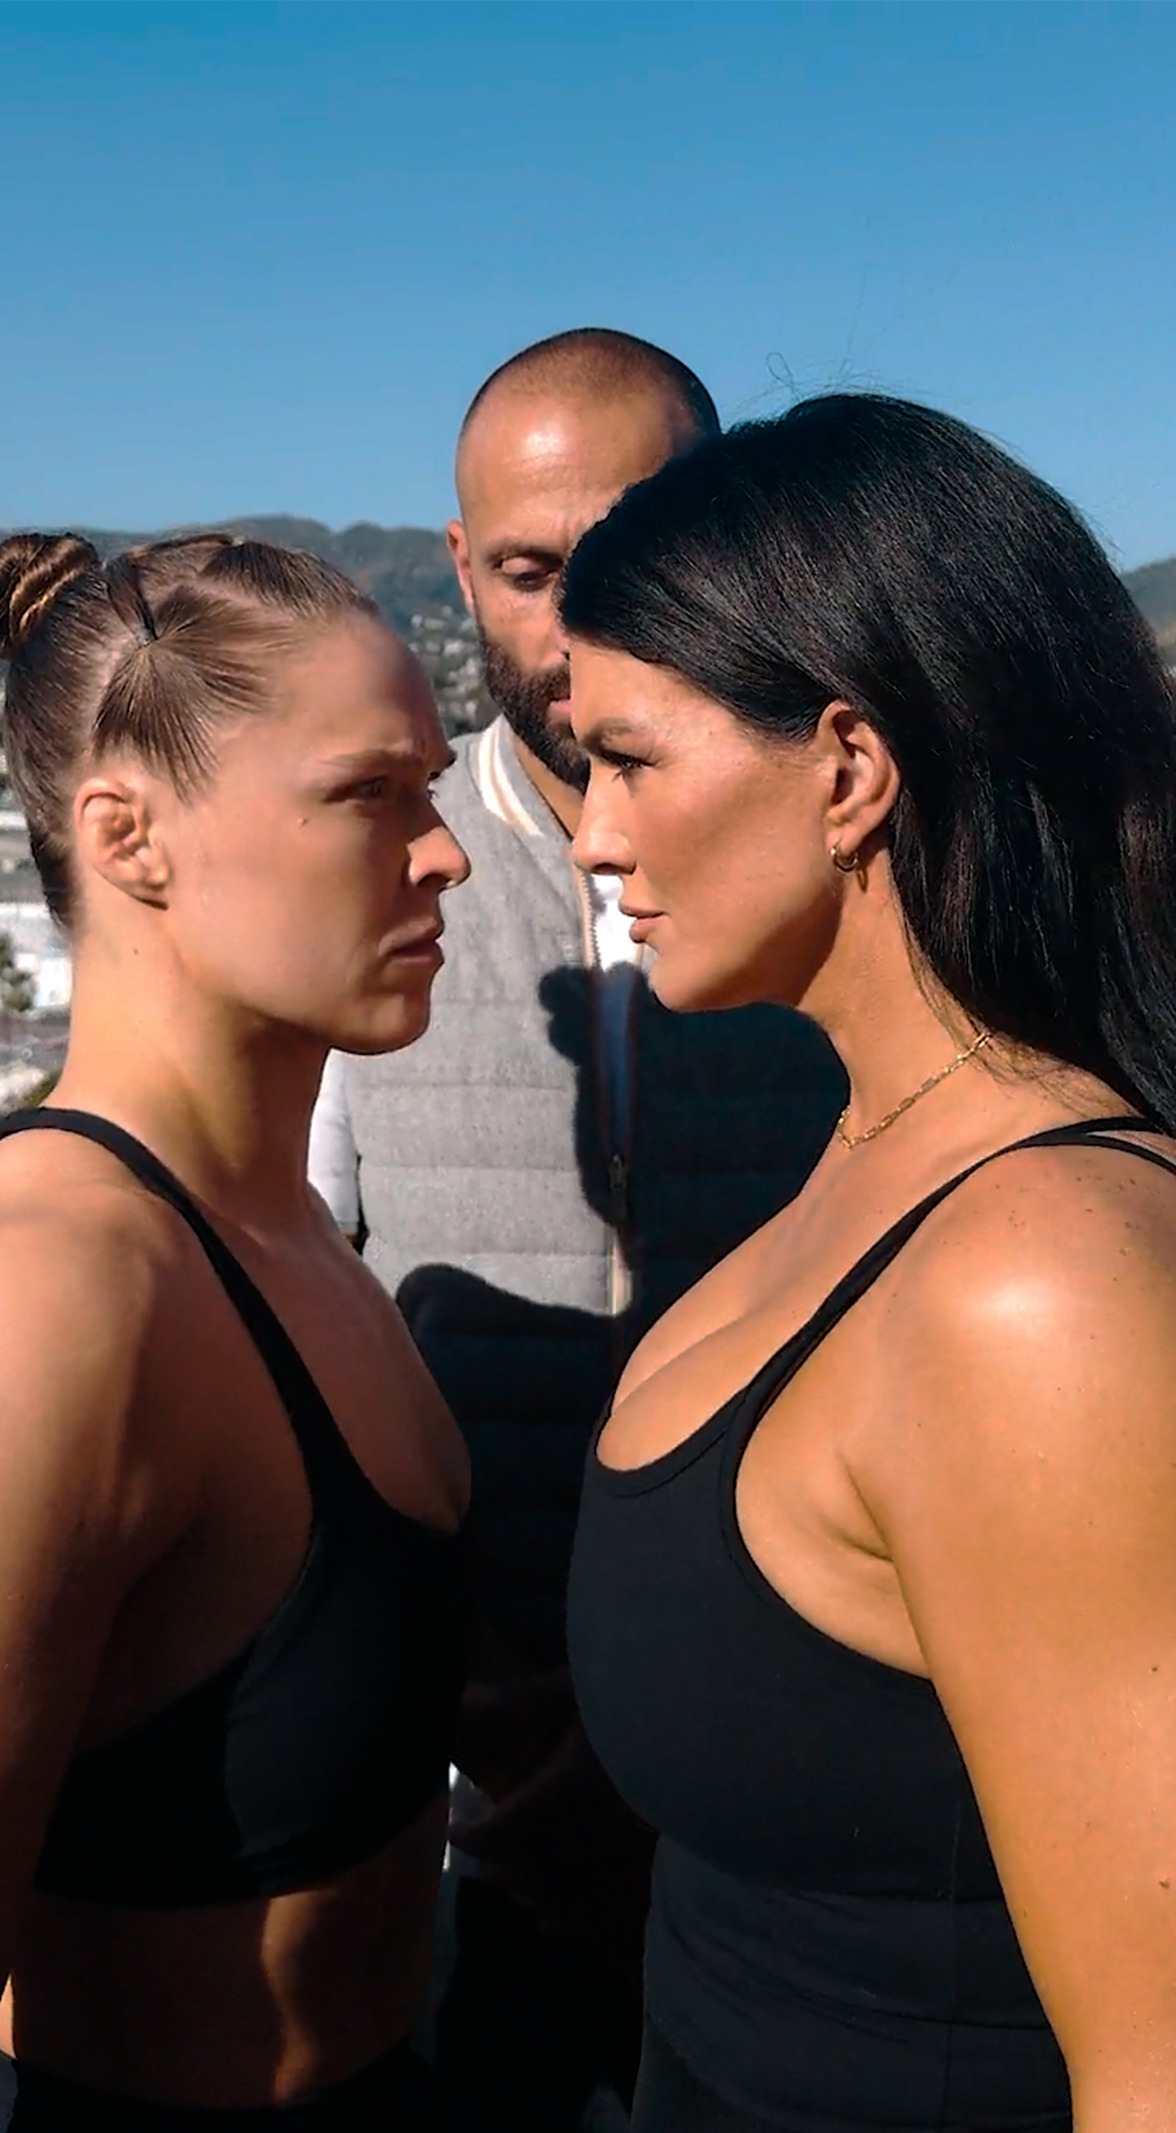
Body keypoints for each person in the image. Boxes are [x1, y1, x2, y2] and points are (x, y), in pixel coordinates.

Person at [562, 390, 1176, 2132]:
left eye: (630, 758)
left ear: (848, 767)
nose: (593, 835)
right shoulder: (874, 1150)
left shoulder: (1039, 1281)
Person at [308, 329, 846, 2130]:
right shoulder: (358, 885)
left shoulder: (873, 876)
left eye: (636, 548)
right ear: (463, 572)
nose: (578, 620)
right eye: (531, 570)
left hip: (790, 1792)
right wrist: (476, 1705)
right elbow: (295, 1323)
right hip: (468, 1808)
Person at [0, 529, 471, 2130]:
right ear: (129, 836)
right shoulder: (52, 1294)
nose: (444, 854)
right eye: (368, 793)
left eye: (431, 786)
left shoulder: (288, 1234)